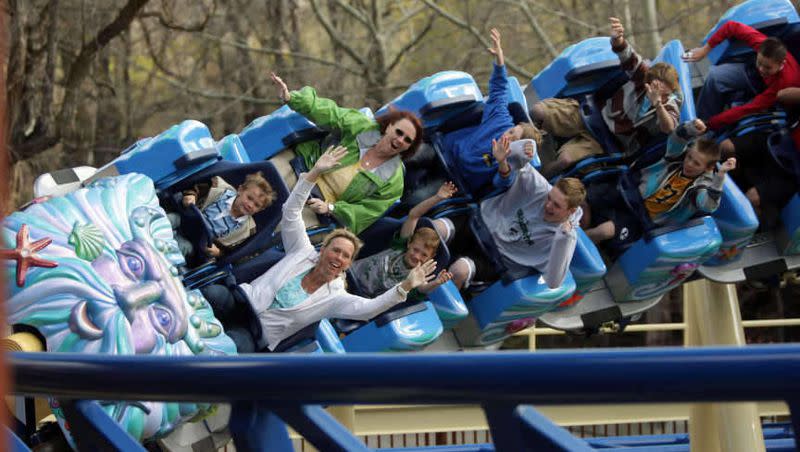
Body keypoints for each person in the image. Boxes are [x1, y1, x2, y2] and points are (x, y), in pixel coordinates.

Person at [201, 146, 438, 353]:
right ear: (324, 249)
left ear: (347, 265)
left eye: (346, 256)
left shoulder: (335, 297)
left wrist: (405, 286)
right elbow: (291, 211)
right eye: (336, 250)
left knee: (230, 346)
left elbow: (368, 310)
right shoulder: (302, 250)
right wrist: (313, 175)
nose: (339, 257)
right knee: (210, 294)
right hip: (243, 301)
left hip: (255, 333)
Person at [271, 72, 424, 235]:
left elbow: (366, 212)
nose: (400, 140)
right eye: (399, 132)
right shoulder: (363, 126)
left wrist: (331, 208)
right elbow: (329, 112)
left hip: (318, 203)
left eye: (408, 140)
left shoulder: (395, 180)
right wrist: (291, 98)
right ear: (388, 127)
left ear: (409, 148)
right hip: (302, 168)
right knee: (261, 184)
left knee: (282, 231)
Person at [534, 17, 681, 177]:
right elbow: (628, 56)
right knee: (538, 111)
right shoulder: (643, 75)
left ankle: (541, 175)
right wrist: (618, 40)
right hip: (592, 114)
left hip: (607, 140)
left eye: (662, 88)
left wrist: (658, 104)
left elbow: (669, 127)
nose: (654, 89)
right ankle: (533, 137)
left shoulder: (670, 104)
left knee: (565, 160)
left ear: (670, 89)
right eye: (652, 85)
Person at [448, 137, 586, 290]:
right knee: (436, 228)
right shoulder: (541, 188)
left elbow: (553, 282)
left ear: (571, 211)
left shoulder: (566, 237)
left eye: (557, 205)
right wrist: (527, 147)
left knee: (458, 270)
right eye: (550, 198)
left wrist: (564, 239)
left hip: (496, 259)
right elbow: (519, 157)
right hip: (481, 224)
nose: (548, 205)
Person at [583, 119, 736, 244]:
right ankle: (571, 230)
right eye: (690, 158)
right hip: (631, 194)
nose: (689, 164)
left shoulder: (701, 187)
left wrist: (720, 175)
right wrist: (692, 128)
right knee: (584, 199)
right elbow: (677, 138)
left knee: (603, 231)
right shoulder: (675, 157)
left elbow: (708, 205)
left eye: (696, 164)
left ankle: (576, 245)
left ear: (708, 168)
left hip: (641, 218)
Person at [445, 28, 541, 196]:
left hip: (454, 182)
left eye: (514, 140)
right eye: (512, 132)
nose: (508, 136)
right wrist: (500, 59)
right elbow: (499, 89)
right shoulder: (501, 120)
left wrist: (502, 161)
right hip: (446, 149)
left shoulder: (511, 162)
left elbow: (503, 182)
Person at [685, 21, 800, 149]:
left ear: (781, 64)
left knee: (737, 112)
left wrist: (710, 124)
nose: (761, 69)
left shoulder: (784, 84)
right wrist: (705, 49)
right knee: (715, 77)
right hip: (754, 77)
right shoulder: (763, 45)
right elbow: (732, 26)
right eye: (760, 62)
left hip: (771, 95)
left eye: (767, 67)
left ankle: (706, 131)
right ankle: (697, 126)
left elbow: (745, 110)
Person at [349, 181, 458, 300]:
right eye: (416, 250)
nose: (417, 256)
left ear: (430, 258)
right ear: (409, 243)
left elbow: (422, 288)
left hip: (362, 299)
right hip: (348, 274)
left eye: (424, 255)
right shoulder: (400, 246)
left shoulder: (418, 274)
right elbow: (414, 215)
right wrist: (437, 198)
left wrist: (436, 283)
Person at [170, 171, 276, 258]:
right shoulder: (219, 189)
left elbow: (229, 251)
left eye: (256, 205)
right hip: (185, 219)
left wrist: (218, 252)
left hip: (195, 243)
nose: (250, 205)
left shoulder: (245, 230)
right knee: (170, 219)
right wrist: (191, 196)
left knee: (181, 248)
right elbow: (197, 189)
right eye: (249, 198)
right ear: (240, 190)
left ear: (260, 209)